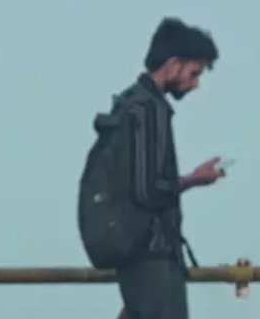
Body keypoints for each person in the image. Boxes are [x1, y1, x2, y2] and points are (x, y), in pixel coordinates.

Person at [78, 18, 226, 319]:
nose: (196, 84)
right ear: (173, 65)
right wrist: (192, 180)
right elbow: (148, 191)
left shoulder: (131, 104)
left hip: (132, 246)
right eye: (194, 73)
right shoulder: (149, 108)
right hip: (149, 251)